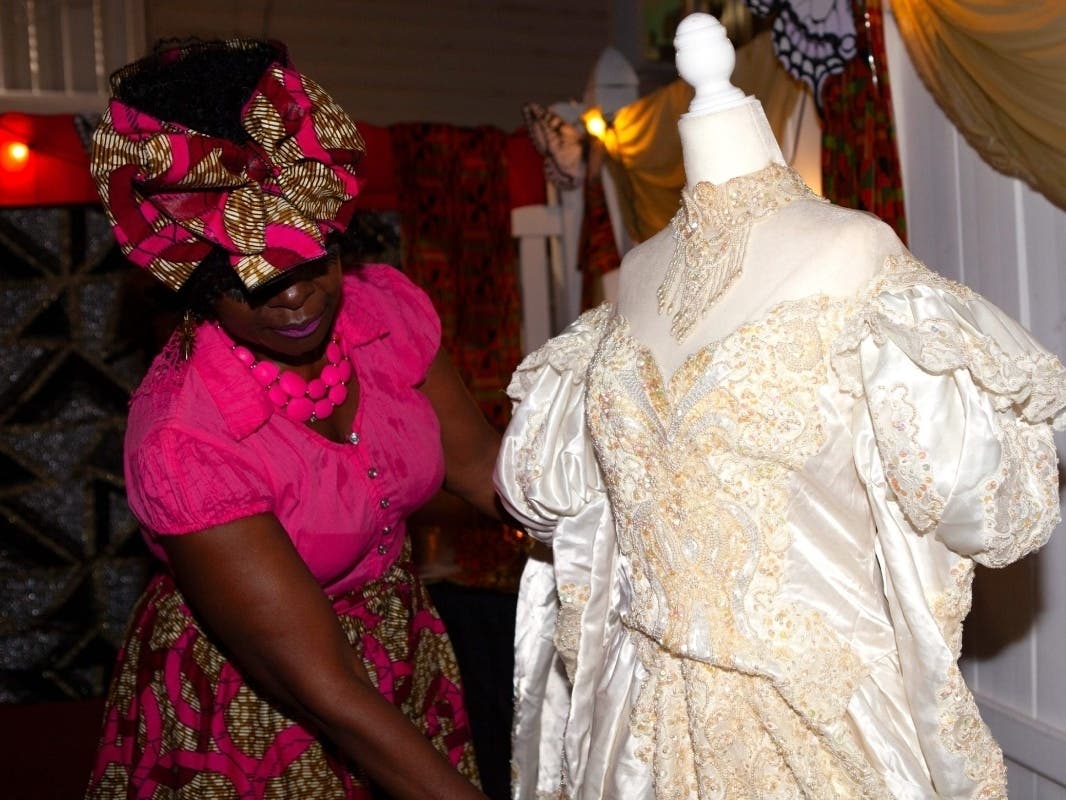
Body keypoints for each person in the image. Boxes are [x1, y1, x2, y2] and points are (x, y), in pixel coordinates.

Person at [496, 13, 1065, 799]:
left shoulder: (852, 258)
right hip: (635, 728)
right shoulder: (632, 280)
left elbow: (990, 511)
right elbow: (554, 503)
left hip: (811, 727)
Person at [84, 38, 497, 799]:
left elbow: (488, 475)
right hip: (261, 712)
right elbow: (329, 694)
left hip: (401, 650)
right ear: (201, 286)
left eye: (312, 262)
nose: (295, 298)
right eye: (255, 283)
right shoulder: (185, 441)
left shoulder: (383, 315)